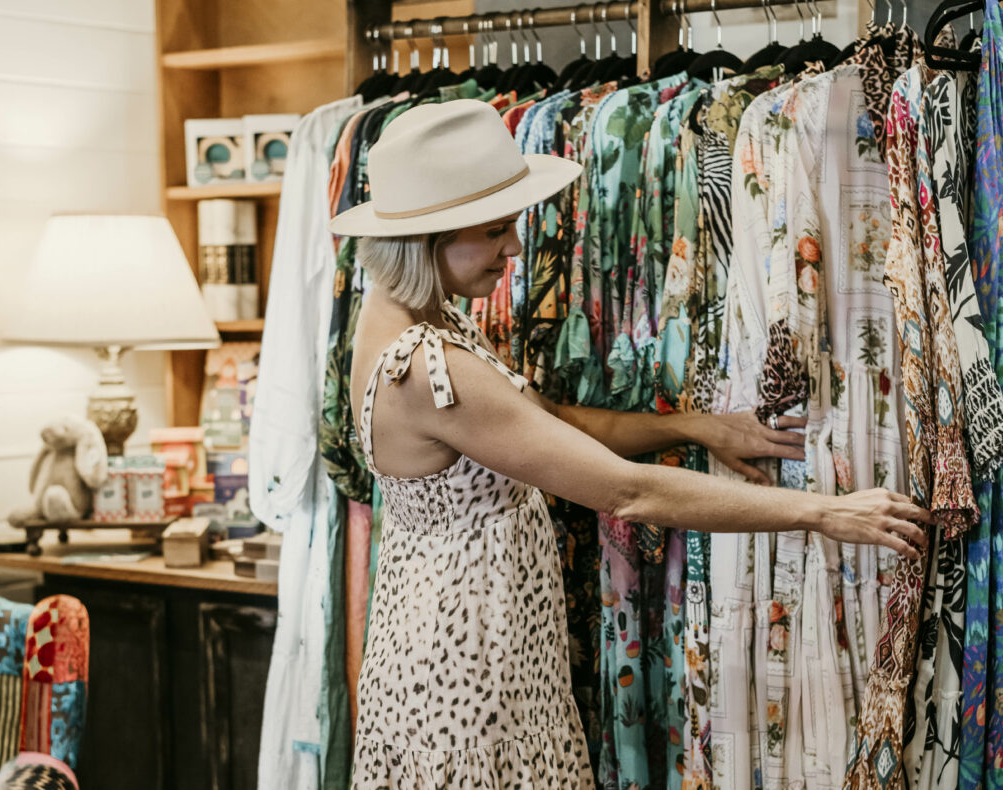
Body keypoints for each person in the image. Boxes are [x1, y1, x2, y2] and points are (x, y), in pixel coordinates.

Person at [329, 100, 930, 788]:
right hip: (464, 675)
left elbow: (546, 420)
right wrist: (823, 513)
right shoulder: (430, 372)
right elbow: (627, 492)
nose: (516, 249)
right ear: (426, 238)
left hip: (467, 649)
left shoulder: (407, 324)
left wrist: (695, 427)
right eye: (496, 231)